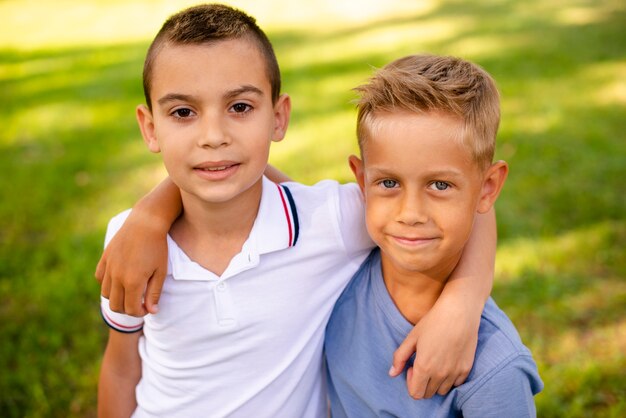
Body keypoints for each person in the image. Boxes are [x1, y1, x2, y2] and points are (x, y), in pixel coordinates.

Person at [97, 4, 498, 417]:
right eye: (183, 112)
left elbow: (467, 202)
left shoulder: (329, 223)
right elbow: (122, 369)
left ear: (278, 117)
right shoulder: (129, 244)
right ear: (150, 128)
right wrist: (147, 218)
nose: (213, 136)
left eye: (239, 107)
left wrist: (462, 305)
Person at [324, 54, 543, 417]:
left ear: (487, 189)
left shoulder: (495, 372)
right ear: (361, 180)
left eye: (439, 185)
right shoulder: (335, 266)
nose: (410, 214)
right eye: (389, 182)